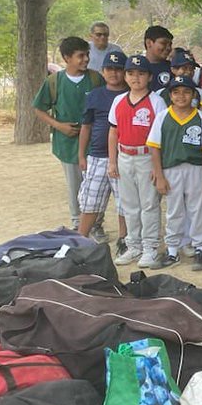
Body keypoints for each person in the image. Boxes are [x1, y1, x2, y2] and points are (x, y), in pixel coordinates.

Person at [33, 36, 102, 229]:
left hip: (94, 142)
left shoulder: (96, 79)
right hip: (67, 143)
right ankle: (77, 224)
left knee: (96, 186)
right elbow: (39, 108)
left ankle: (97, 224)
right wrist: (58, 125)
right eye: (80, 56)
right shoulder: (54, 81)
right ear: (67, 58)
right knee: (75, 185)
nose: (86, 59)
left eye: (87, 55)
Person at [108, 55, 169, 268]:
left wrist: (157, 166)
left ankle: (150, 246)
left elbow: (161, 136)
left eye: (141, 73)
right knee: (129, 204)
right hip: (124, 155)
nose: (136, 78)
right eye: (131, 73)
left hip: (147, 156)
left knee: (149, 204)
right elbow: (113, 131)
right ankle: (133, 245)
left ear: (149, 76)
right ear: (125, 76)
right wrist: (112, 161)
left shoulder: (156, 101)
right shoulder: (118, 100)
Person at [148, 76, 202, 270]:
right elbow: (154, 147)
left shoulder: (201, 118)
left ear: (194, 94)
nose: (181, 96)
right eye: (176, 92)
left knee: (198, 208)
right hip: (171, 168)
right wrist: (159, 175)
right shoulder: (163, 117)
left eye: (186, 92)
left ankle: (200, 248)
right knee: (174, 210)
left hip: (195, 167)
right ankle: (172, 250)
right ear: (170, 95)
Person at [78, 51, 129, 253]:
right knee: (90, 200)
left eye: (118, 69)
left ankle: (124, 239)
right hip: (97, 155)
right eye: (109, 69)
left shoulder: (130, 95)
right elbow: (86, 126)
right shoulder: (95, 95)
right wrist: (81, 155)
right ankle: (80, 239)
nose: (113, 73)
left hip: (123, 156)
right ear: (102, 71)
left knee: (124, 202)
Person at [142, 25, 174, 92]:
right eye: (163, 43)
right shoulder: (136, 68)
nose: (168, 48)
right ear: (149, 43)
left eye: (170, 44)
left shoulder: (173, 68)